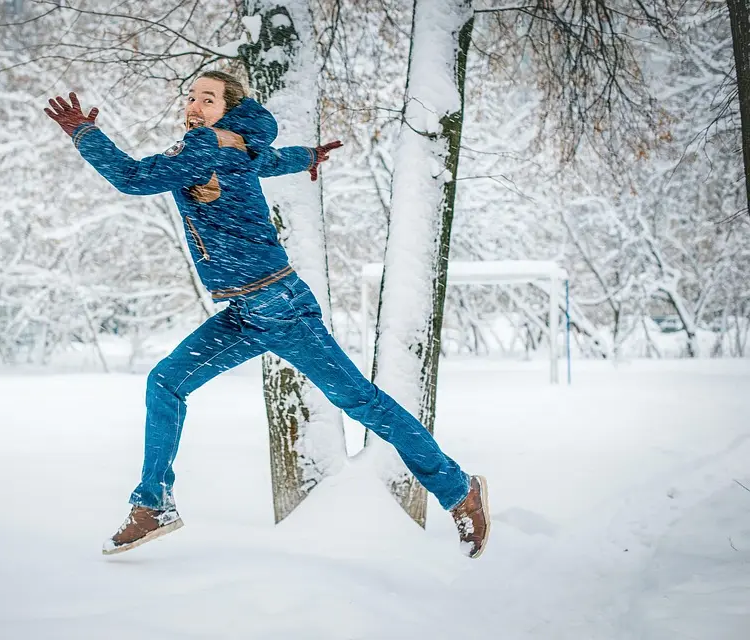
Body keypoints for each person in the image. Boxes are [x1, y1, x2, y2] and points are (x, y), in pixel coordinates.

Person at [44, 71, 490, 559]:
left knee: (362, 403)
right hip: (246, 309)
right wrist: (308, 158)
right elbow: (269, 160)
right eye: (191, 97)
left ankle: (458, 488)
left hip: (281, 308)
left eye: (207, 99)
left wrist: (84, 134)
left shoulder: (204, 147)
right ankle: (153, 505)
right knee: (165, 382)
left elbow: (131, 178)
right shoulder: (236, 144)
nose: (194, 105)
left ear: (228, 109)